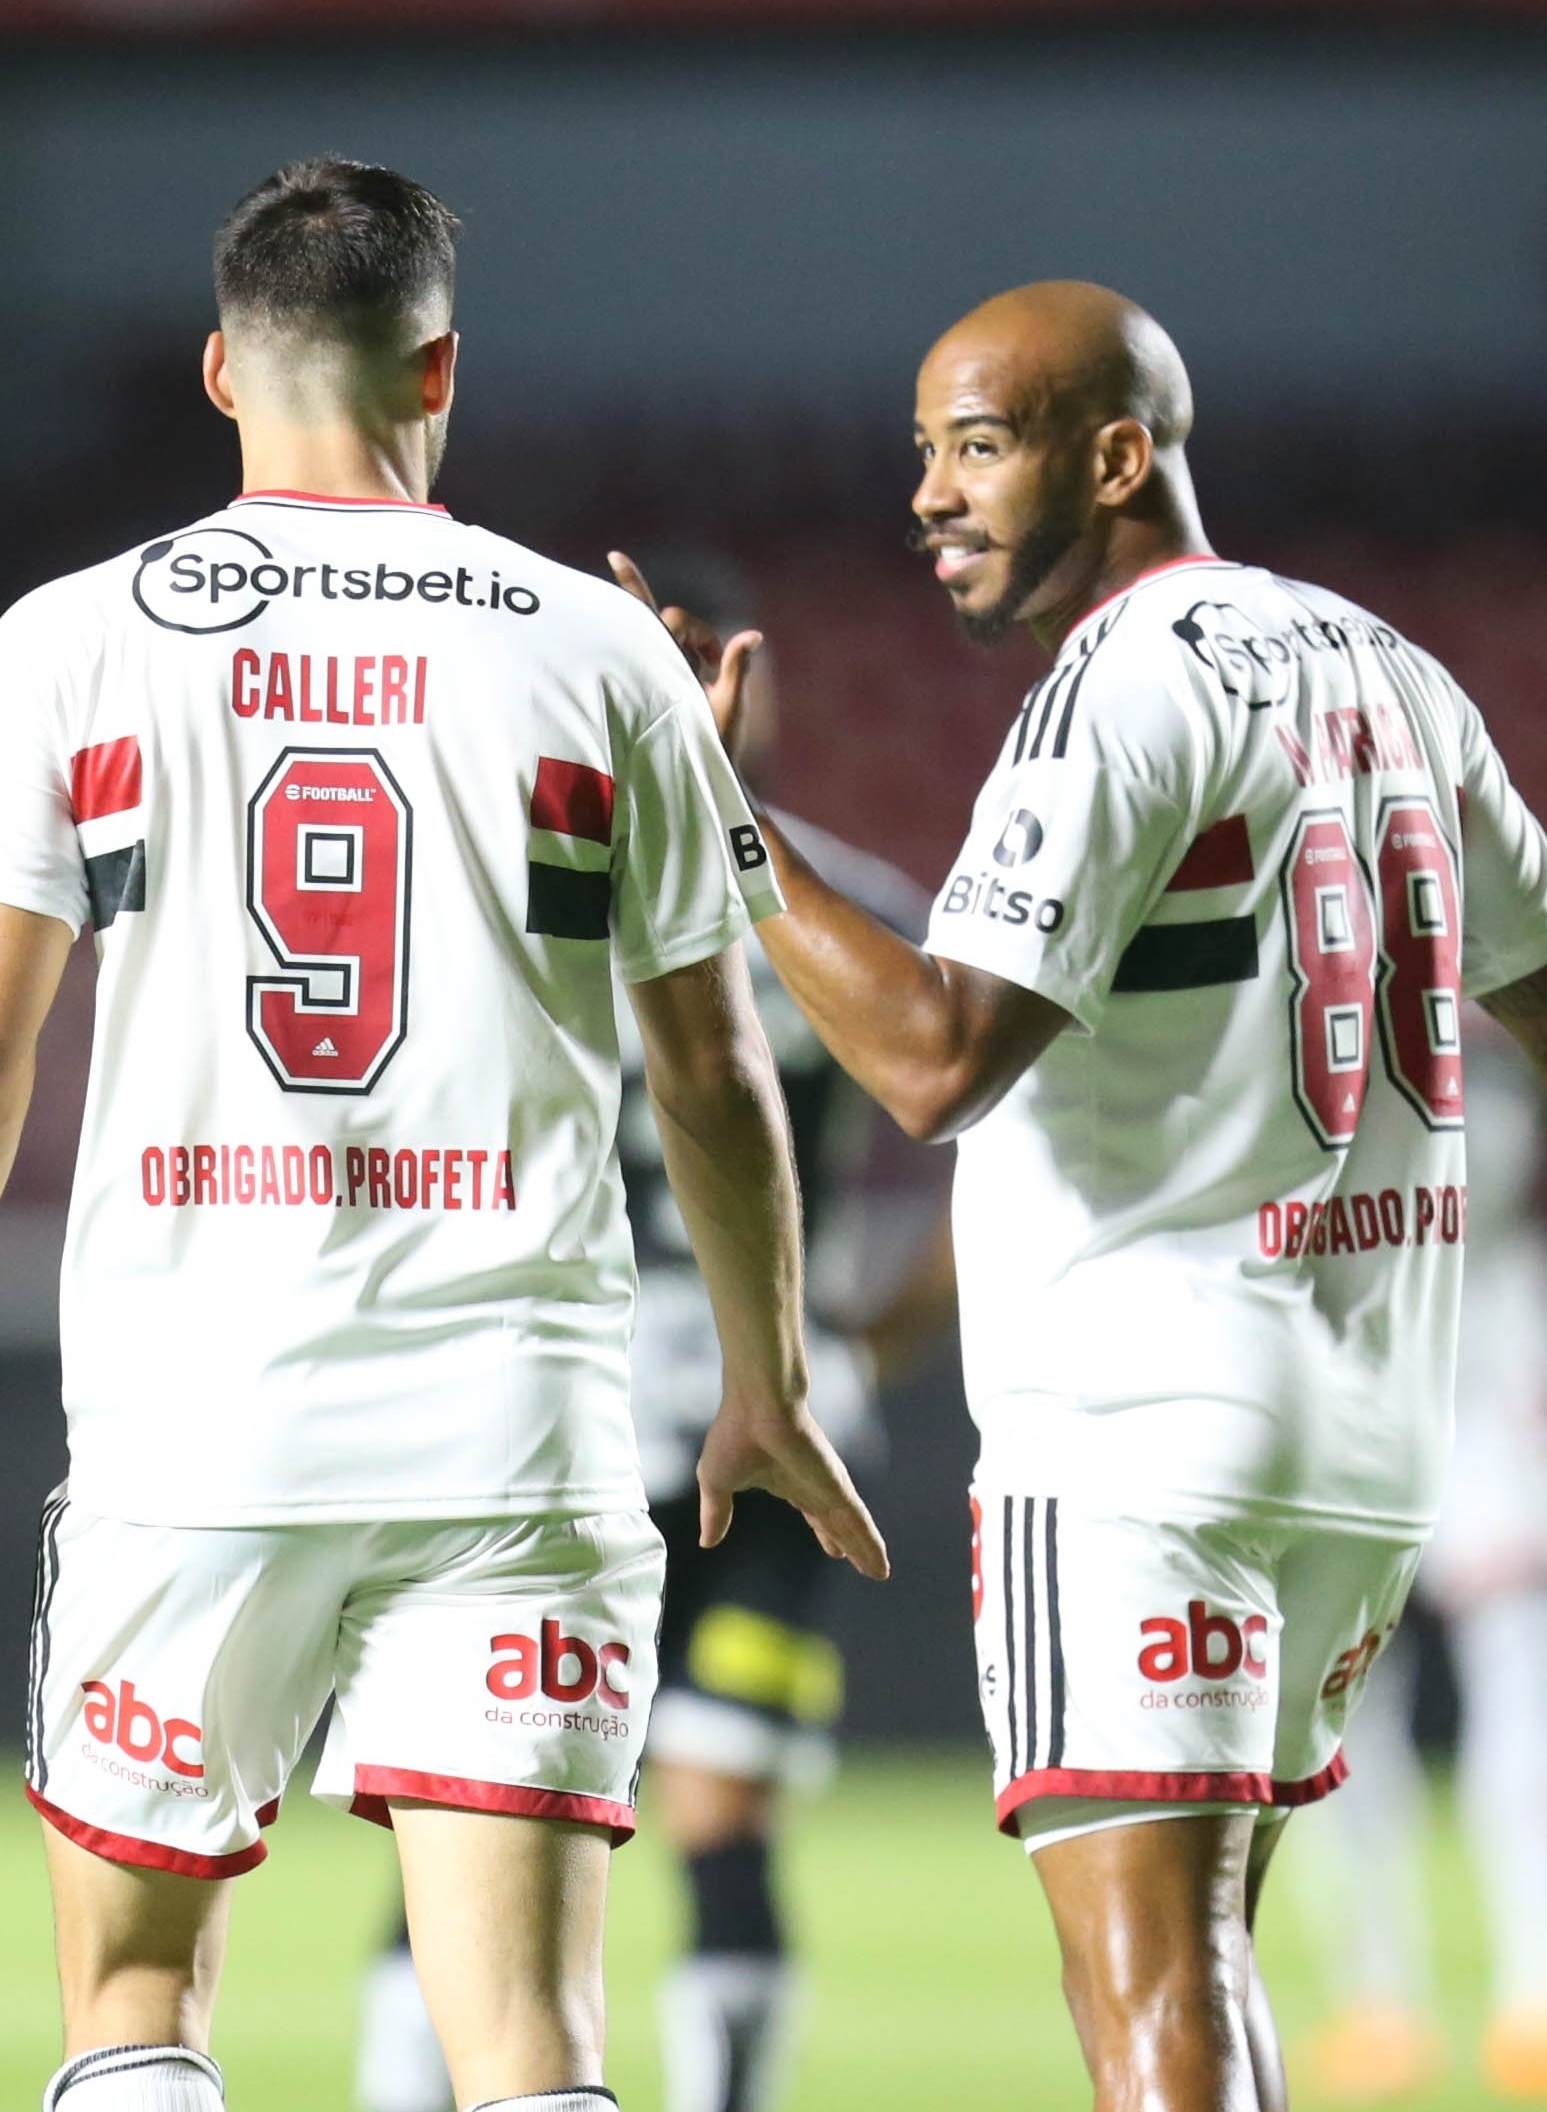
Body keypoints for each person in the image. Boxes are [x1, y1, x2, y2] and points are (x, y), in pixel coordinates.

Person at [0, 158, 886, 2112]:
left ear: (224, 370)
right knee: (530, 2048)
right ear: (443, 367)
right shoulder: (595, 647)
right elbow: (714, 1070)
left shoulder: (70, 644)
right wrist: (767, 1373)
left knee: (136, 2010)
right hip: (517, 1432)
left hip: (196, 1425)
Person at [611, 278, 1547, 2112]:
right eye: (921, 456)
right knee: (1209, 1969)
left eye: (975, 444)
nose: (929, 499)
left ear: (1114, 453)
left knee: (1145, 2002)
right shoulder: (1387, 670)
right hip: (1357, 1440)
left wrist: (712, 810)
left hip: (1139, 1435)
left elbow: (932, 1057)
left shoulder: (1116, 689)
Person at [355, 554, 950, 2112]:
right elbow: (990, 1144)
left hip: (537, 1416)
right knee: (724, 1819)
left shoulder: (487, 895)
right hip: (758, 1423)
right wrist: (861, 1340)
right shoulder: (850, 918)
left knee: (471, 1811)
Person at [1292, 1017, 1547, 2104]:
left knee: (1516, 1698)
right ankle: (1380, 1999)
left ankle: (1525, 1993)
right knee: (1334, 1720)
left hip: (1476, 1391)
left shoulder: (1477, 1062)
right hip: (1345, 1392)